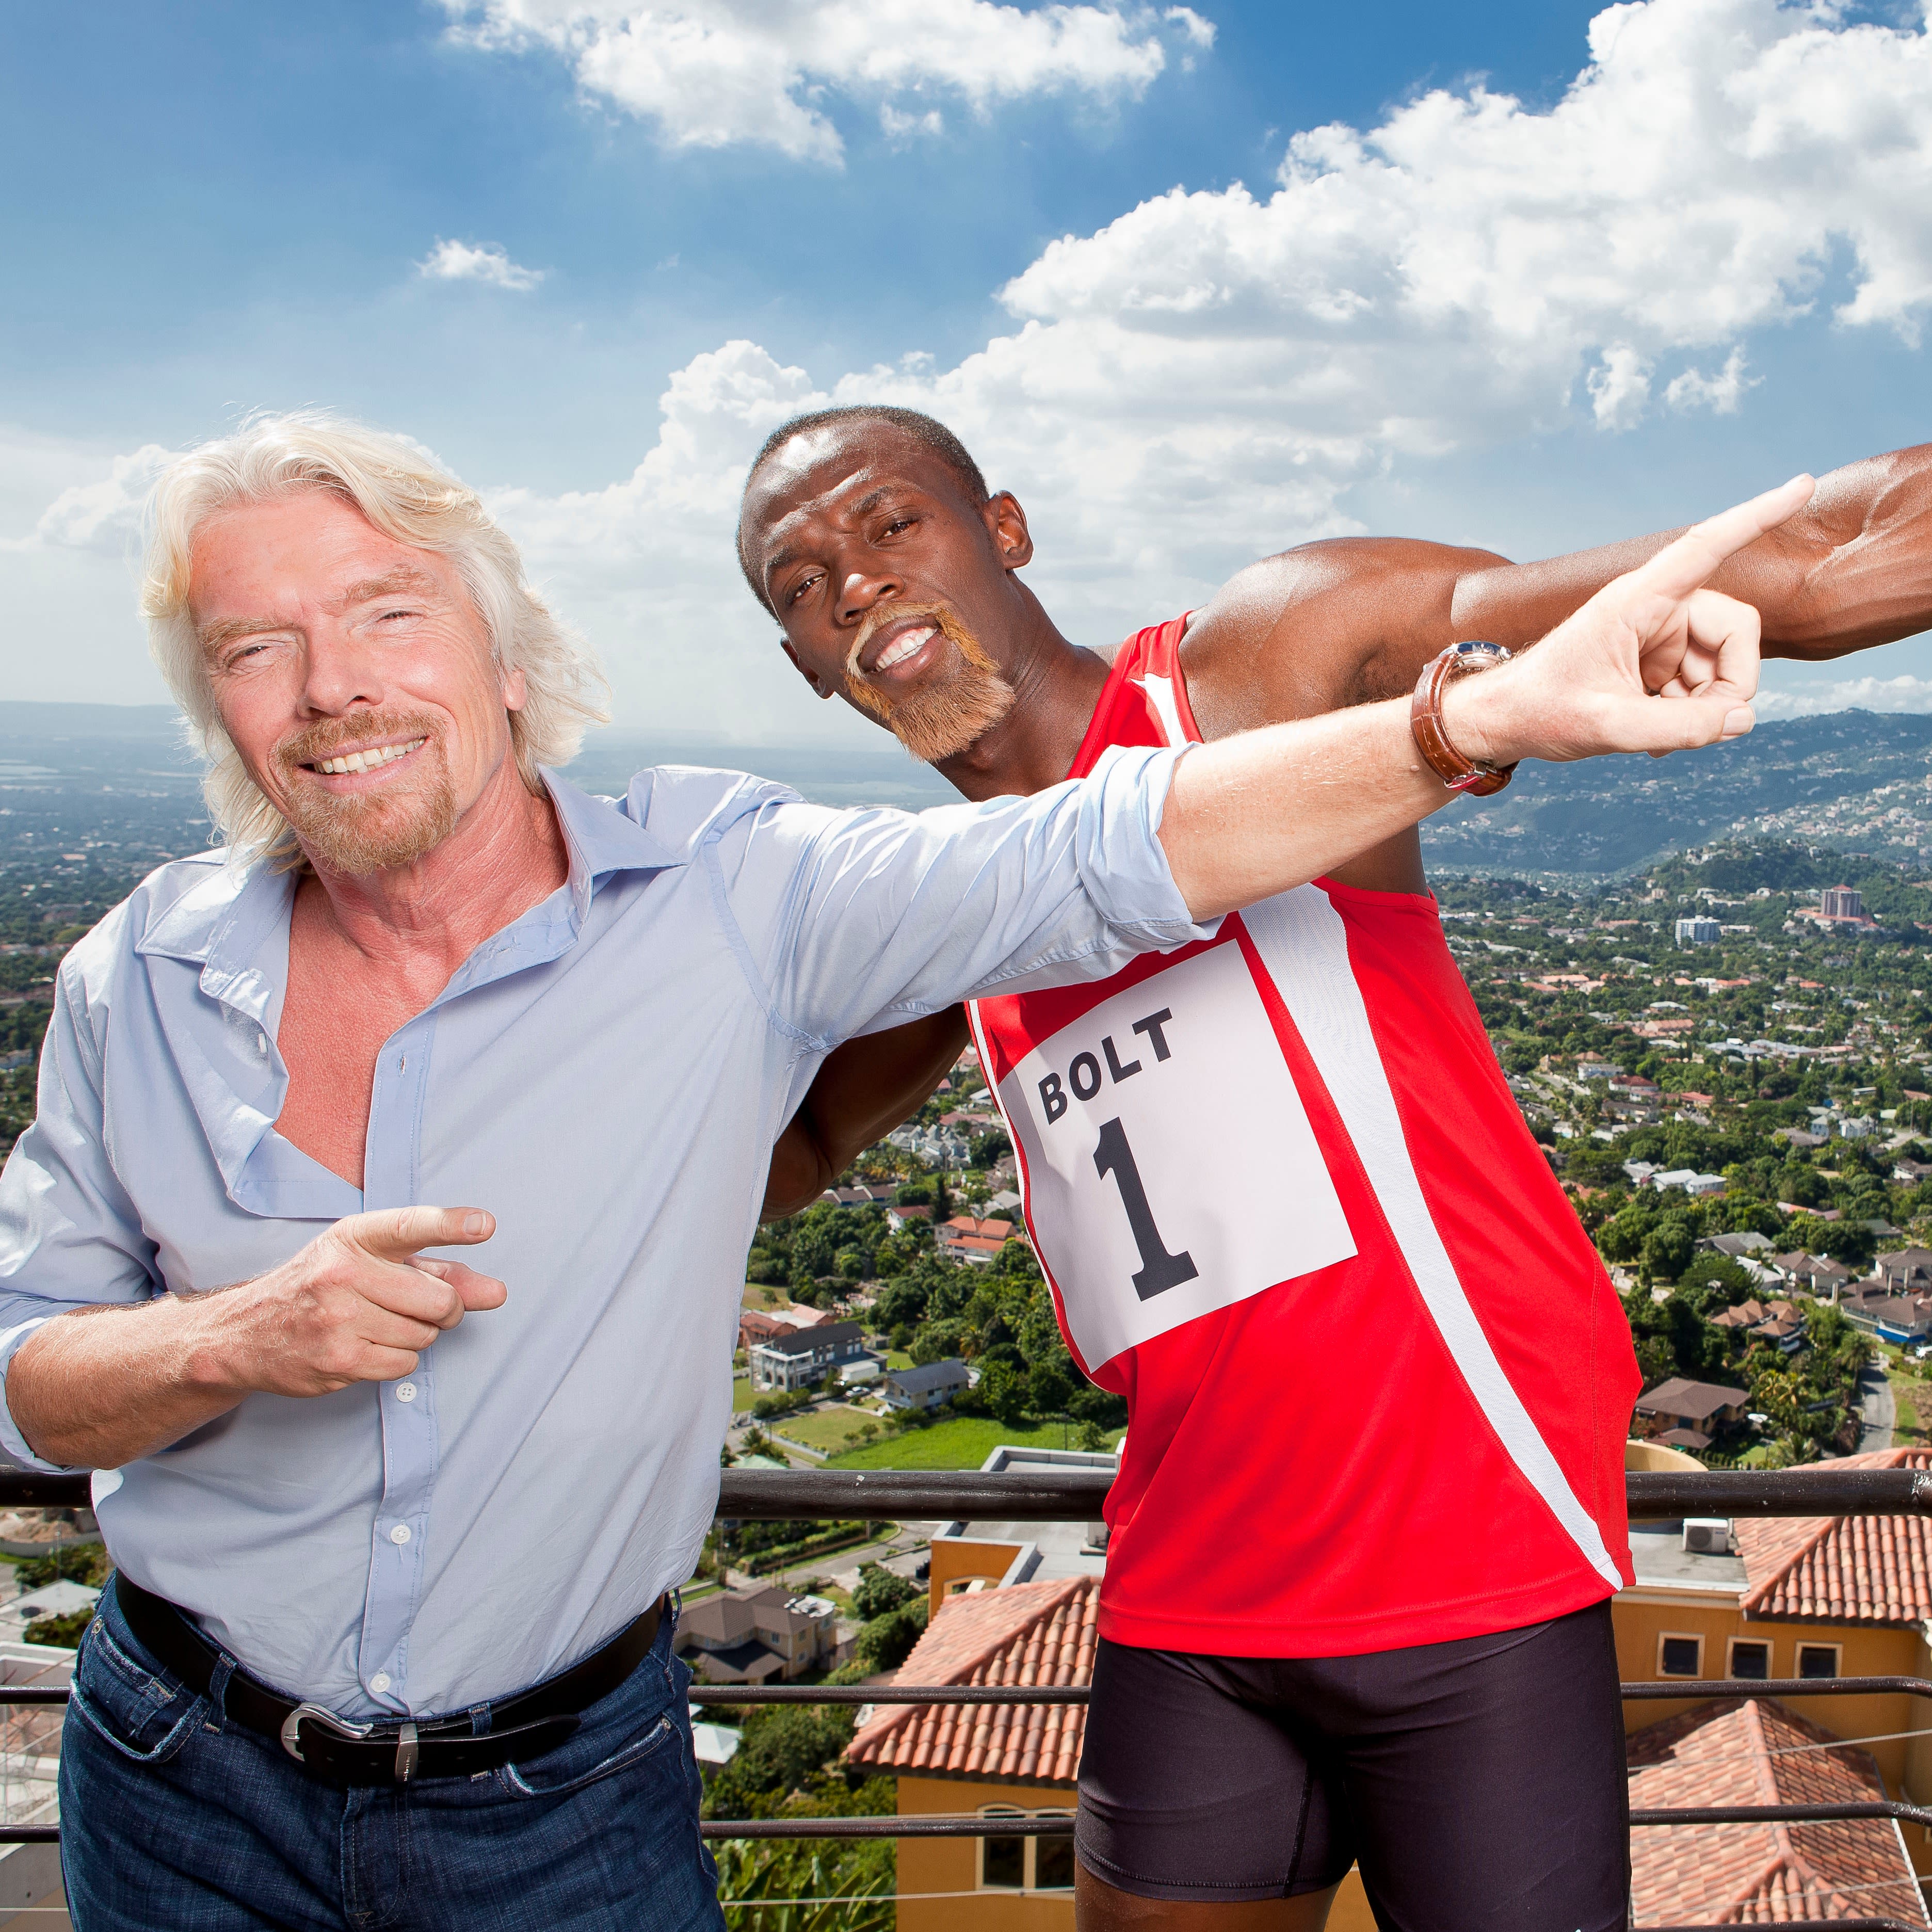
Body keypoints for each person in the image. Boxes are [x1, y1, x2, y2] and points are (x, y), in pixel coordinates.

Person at [0, 414, 1781, 1930]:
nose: (852, 584)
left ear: (507, 661)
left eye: (389, 614)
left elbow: (1122, 838)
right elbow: (776, 1151)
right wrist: (239, 1331)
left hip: (1441, 1539)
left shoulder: (1147, 715)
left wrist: (1479, 716)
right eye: (255, 649)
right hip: (184, 1763)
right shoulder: (139, 981)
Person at [739, 408, 1932, 1932]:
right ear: (799, 661)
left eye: (892, 524)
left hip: (1465, 1560)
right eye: (800, 580)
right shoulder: (955, 909)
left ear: (1008, 529)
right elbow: (792, 1150)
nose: (852, 584)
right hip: (1186, 1591)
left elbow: (1816, 557)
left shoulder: (1252, 670)